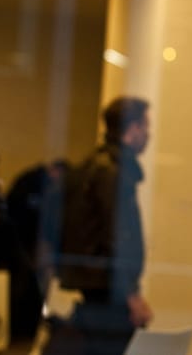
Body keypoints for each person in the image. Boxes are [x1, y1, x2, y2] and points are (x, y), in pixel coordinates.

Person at [50, 97, 152, 355]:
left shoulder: (91, 165)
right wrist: (131, 294)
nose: (148, 135)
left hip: (94, 286)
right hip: (107, 290)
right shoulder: (111, 171)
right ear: (132, 128)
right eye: (145, 126)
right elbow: (116, 236)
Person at [5, 159, 70, 338]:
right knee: (26, 286)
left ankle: (26, 329)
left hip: (28, 245)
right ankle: (24, 329)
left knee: (31, 286)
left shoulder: (34, 184)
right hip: (24, 245)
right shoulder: (34, 185)